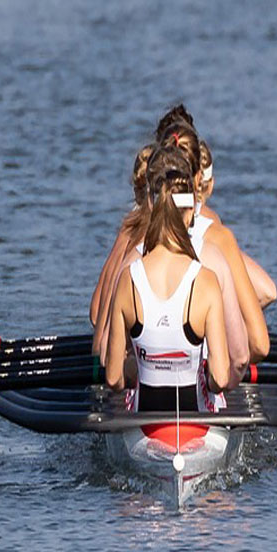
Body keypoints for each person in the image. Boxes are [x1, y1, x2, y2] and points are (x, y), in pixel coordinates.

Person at [104, 145, 231, 411]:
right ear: (189, 213)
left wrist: (137, 365)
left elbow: (114, 377)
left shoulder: (129, 278)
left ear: (152, 208)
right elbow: (220, 378)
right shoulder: (206, 281)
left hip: (145, 429)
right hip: (199, 431)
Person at [153, 106, 277, 308]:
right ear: (199, 177)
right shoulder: (210, 226)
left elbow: (97, 313)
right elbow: (267, 292)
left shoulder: (132, 229)